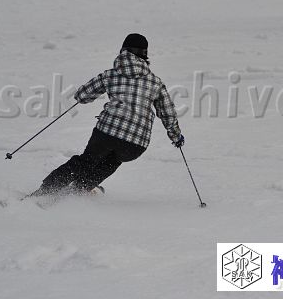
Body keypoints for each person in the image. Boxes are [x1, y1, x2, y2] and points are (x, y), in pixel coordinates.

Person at [31, 33, 184, 196]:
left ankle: (45, 192)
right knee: (112, 162)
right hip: (136, 143)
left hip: (107, 132)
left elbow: (82, 95)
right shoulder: (156, 82)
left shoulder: (110, 74)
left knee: (86, 161)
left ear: (123, 51)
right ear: (145, 55)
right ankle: (80, 190)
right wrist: (176, 136)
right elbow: (168, 113)